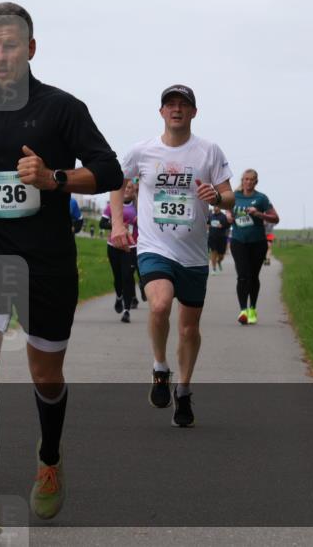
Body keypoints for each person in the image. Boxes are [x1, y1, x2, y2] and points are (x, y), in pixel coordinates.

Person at [0, 3, 122, 532]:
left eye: (10, 45)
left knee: (46, 374)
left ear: (30, 49)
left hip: (48, 260)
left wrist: (53, 177)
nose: (0, 55)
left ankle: (50, 457)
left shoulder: (63, 109)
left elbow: (108, 170)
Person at [110, 84, 233, 428]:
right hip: (154, 248)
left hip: (193, 254)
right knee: (160, 304)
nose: (176, 109)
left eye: (183, 105)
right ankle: (160, 367)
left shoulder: (209, 152)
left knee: (189, 328)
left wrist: (216, 198)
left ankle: (184, 388)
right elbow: (116, 181)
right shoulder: (142, 151)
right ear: (161, 112)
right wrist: (118, 223)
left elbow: (229, 196)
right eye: (170, 104)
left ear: (194, 112)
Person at [227, 169, 279, 325]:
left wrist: (259, 214)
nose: (248, 182)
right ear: (242, 180)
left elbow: (275, 218)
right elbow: (228, 212)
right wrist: (229, 216)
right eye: (246, 179)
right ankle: (243, 310)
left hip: (257, 243)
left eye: (252, 180)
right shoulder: (234, 196)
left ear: (256, 182)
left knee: (253, 277)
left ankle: (252, 308)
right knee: (242, 276)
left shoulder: (261, 198)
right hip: (238, 241)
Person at [102, 180, 139, 323]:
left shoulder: (138, 206)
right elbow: (102, 223)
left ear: (134, 189)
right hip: (114, 246)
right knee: (118, 278)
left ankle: (127, 310)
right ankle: (118, 296)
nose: (128, 190)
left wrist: (138, 221)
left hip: (131, 247)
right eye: (126, 187)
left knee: (128, 277)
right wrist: (115, 223)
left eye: (130, 187)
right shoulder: (112, 206)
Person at [207, 205, 229, 274]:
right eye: (214, 206)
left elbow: (227, 225)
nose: (215, 208)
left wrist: (222, 226)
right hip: (212, 237)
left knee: (221, 255)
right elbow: (207, 224)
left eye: (216, 206)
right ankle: (214, 269)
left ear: (220, 207)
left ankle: (219, 261)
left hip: (222, 237)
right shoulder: (210, 216)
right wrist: (208, 226)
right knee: (213, 252)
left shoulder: (224, 216)